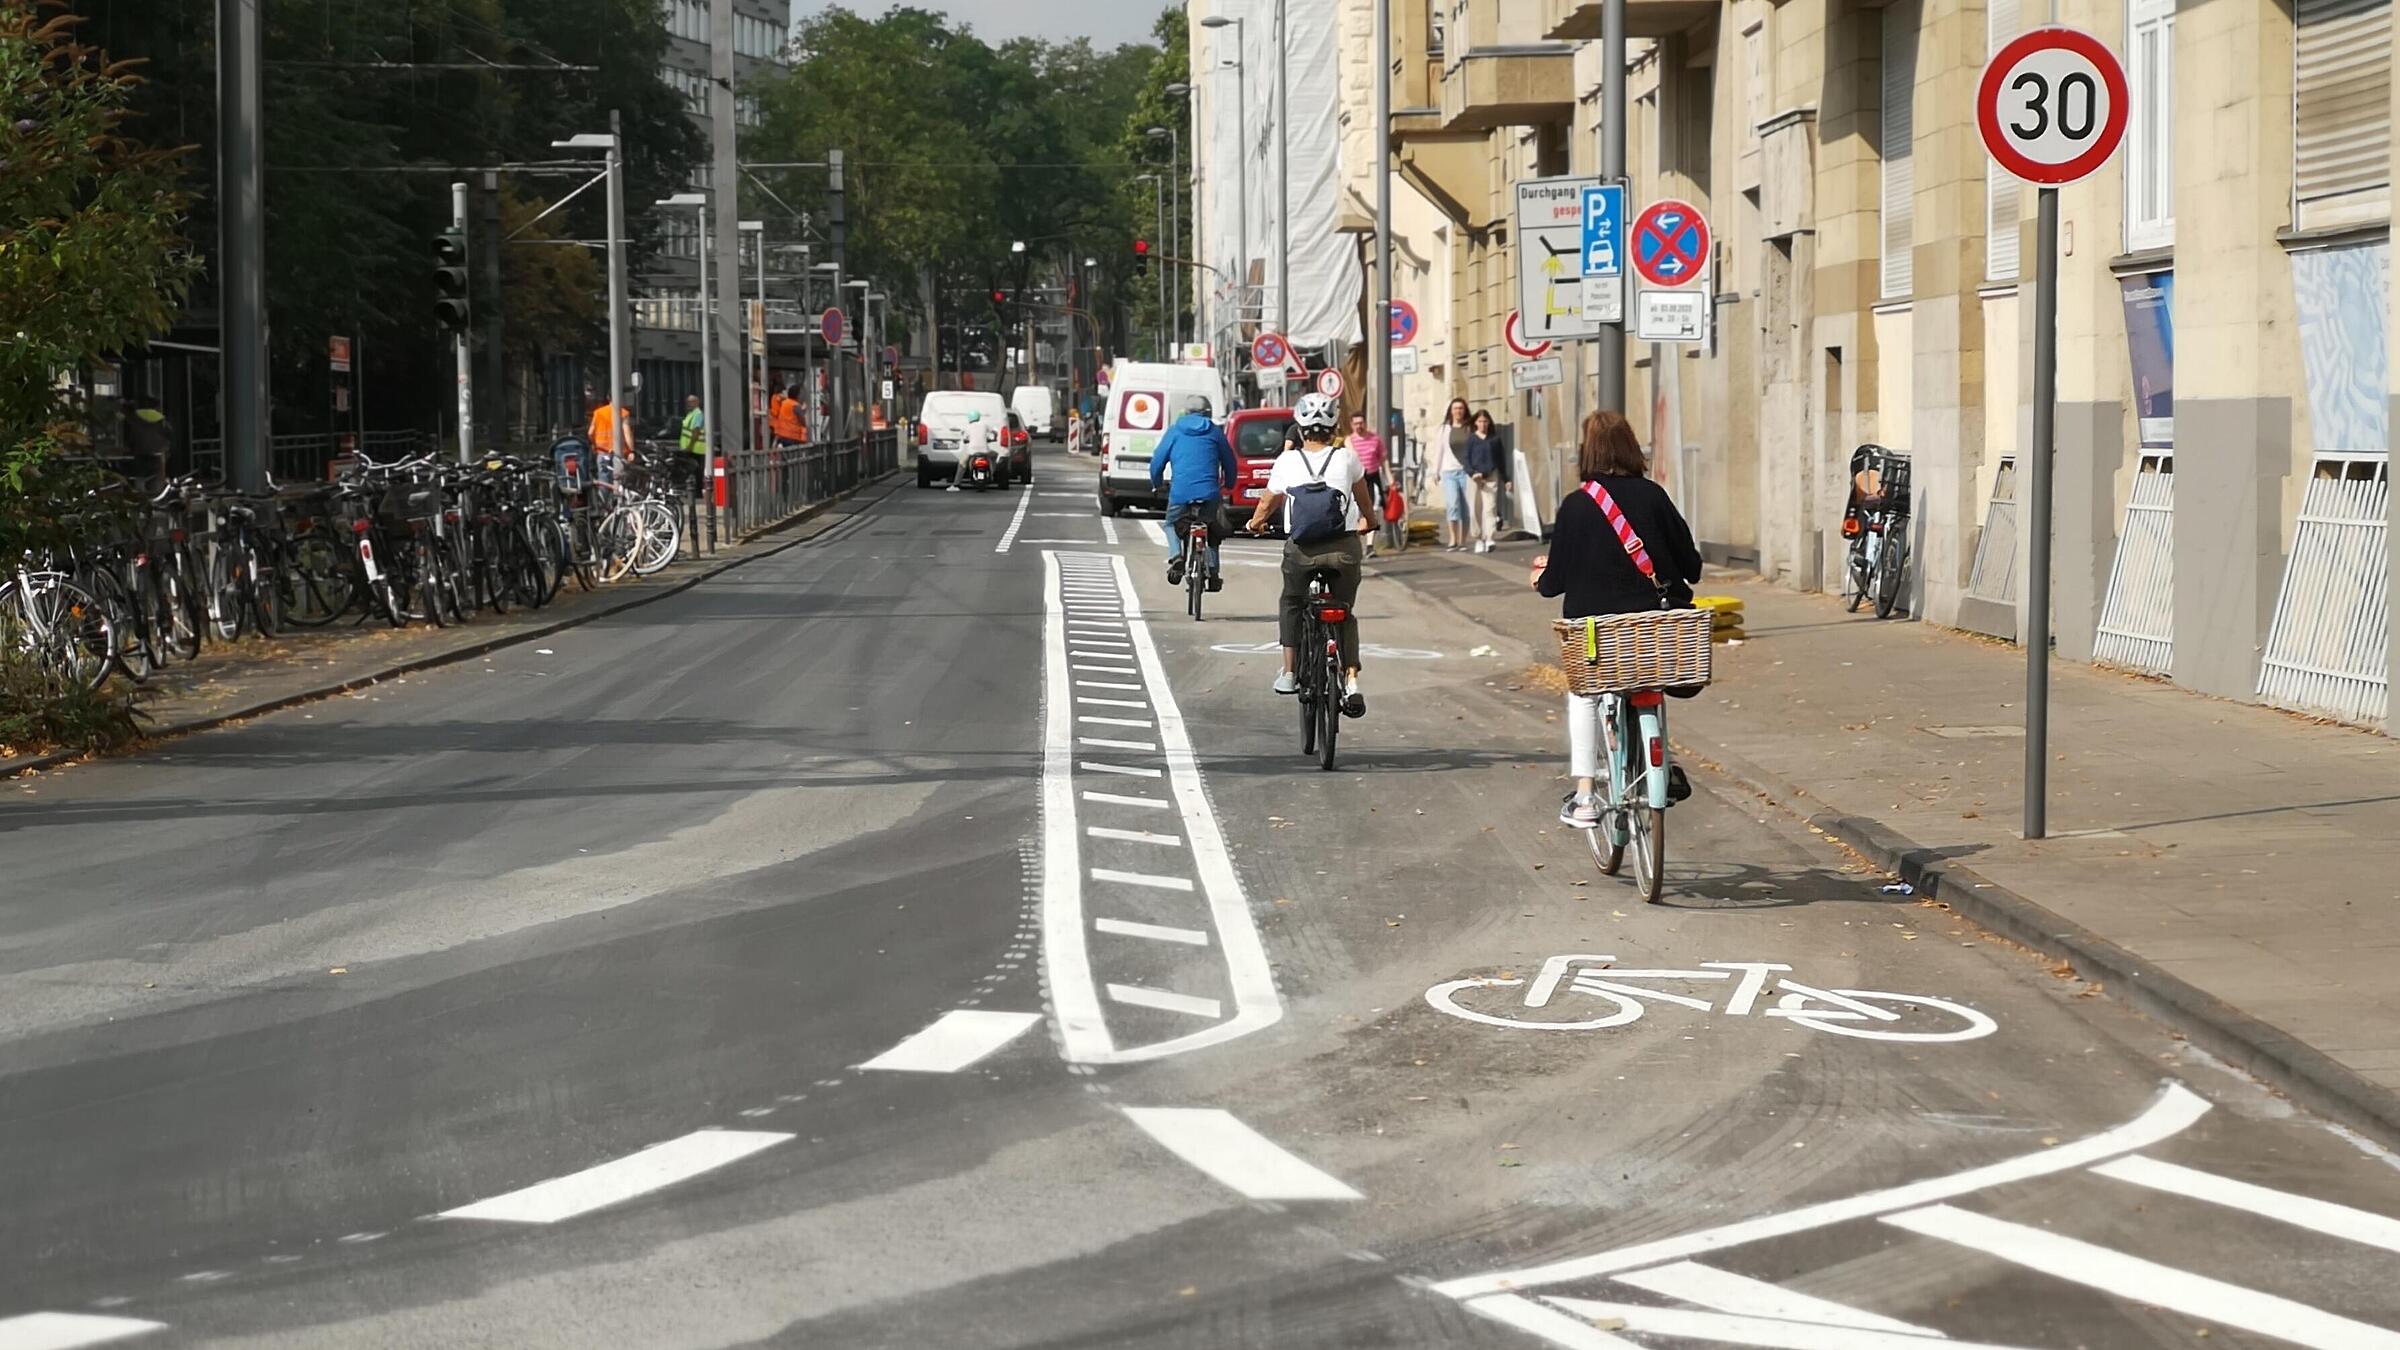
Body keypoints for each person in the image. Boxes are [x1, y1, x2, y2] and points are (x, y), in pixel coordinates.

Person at [1529, 411, 1704, 829]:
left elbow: (1554, 584)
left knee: (1584, 696)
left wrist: (1541, 576)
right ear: (1630, 447)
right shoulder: (1654, 496)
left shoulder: (1576, 505)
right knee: (1650, 676)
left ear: (1587, 451)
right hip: (1655, 627)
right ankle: (1664, 760)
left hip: (1596, 635)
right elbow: (1692, 568)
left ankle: (1586, 795)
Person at [1245, 391, 1371, 718]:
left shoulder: (1287, 462)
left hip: (1301, 551)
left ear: (1300, 429)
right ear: (1334, 428)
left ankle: (1288, 673)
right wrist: (1371, 521)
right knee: (1344, 611)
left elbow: (1267, 503)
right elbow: (1364, 502)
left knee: (1291, 600)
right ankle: (1352, 680)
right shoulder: (1347, 459)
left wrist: (1256, 523)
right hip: (1344, 549)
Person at [1148, 394, 1240, 591]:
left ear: (1186, 412)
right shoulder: (1215, 432)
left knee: (1171, 524)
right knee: (1211, 527)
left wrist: (1156, 483)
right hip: (1209, 493)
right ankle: (1213, 572)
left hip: (1180, 492)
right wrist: (1229, 484)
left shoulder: (1174, 431)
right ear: (1208, 413)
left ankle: (1176, 556)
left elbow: (1157, 462)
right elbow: (1229, 462)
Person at [1464, 409, 1505, 553]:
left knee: (1490, 508)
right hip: (1475, 477)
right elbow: (1466, 460)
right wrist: (1472, 473)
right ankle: (1478, 538)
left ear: (1489, 423)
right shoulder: (1471, 439)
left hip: (1491, 476)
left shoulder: (1495, 439)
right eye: (1480, 421)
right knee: (1475, 509)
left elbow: (1501, 460)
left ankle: (1489, 538)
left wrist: (1506, 479)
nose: (1483, 424)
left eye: (1485, 421)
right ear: (1476, 423)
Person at [1434, 397, 1472, 551]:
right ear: (1451, 411)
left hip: (1466, 472)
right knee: (1452, 504)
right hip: (1449, 471)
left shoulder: (1469, 428)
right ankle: (1452, 539)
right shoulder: (1444, 429)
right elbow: (1439, 451)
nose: (1458, 411)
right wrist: (1435, 472)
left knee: (1466, 507)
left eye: (1461, 408)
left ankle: (1463, 541)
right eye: (1455, 408)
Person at [124, 398, 173, 494]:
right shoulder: (161, 419)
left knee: (140, 475)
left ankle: (140, 494)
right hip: (158, 452)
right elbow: (169, 433)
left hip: (140, 451)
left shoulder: (135, 418)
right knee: (157, 476)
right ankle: (155, 493)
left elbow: (130, 435)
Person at [587, 389, 634, 477]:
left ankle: (604, 491)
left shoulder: (598, 413)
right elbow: (627, 434)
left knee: (604, 480)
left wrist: (594, 444)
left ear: (608, 398)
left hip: (602, 452)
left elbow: (590, 433)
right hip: (619, 453)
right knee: (619, 478)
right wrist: (631, 451)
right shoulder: (623, 413)